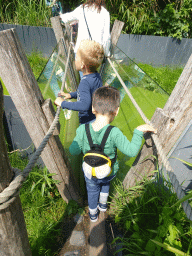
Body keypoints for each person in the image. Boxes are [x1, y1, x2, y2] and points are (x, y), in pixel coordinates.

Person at [69, 86, 157, 222]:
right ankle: (103, 206)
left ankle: (93, 215)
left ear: (93, 108)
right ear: (116, 111)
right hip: (109, 171)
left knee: (92, 191)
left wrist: (78, 141)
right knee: (105, 184)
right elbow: (132, 150)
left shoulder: (82, 129)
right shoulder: (114, 132)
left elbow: (73, 150)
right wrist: (138, 131)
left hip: (89, 171)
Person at [54, 39, 104, 124]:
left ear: (82, 65)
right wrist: (71, 95)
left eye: (76, 57)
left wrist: (63, 103)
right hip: (96, 119)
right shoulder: (96, 76)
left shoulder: (85, 82)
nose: (74, 59)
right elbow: (88, 94)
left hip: (87, 123)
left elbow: (84, 105)